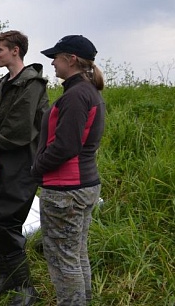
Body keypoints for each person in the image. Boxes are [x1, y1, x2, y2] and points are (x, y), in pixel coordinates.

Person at [33, 35, 105, 306]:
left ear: (71, 59)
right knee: (75, 254)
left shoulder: (76, 95)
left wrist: (36, 168)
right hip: (82, 185)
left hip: (66, 190)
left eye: (57, 56)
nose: (52, 62)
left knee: (63, 258)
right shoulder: (87, 91)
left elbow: (66, 146)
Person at [0, 31, 49, 305]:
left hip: (21, 165)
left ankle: (26, 289)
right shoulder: (4, 82)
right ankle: (7, 278)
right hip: (1, 162)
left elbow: (19, 130)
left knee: (9, 224)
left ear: (15, 51)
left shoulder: (32, 85)